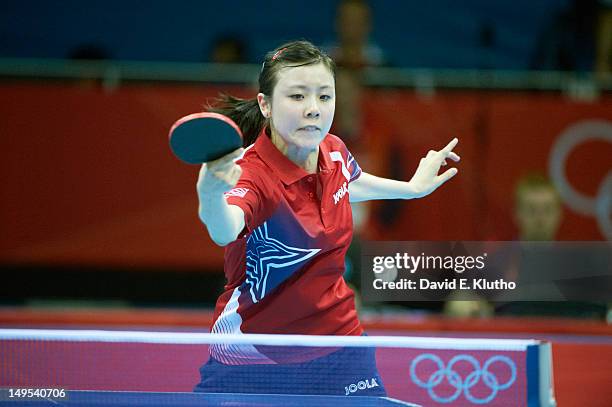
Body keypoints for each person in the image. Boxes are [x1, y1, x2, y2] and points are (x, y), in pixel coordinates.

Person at [192, 40, 460, 396]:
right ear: (265, 105)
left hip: (341, 345)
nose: (313, 109)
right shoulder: (254, 175)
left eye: (324, 96)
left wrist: (410, 188)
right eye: (298, 97)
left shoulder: (333, 150)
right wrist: (209, 193)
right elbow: (225, 229)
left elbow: (349, 183)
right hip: (254, 356)